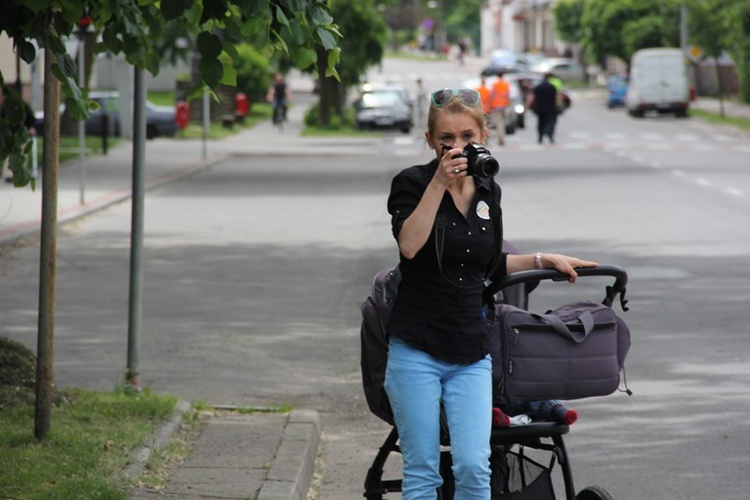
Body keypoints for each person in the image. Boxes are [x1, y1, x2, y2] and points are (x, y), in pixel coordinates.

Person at [385, 87, 597, 499]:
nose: (458, 147)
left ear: (484, 133)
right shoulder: (411, 183)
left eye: (467, 136)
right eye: (446, 139)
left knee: (473, 466)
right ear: (430, 141)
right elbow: (409, 246)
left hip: (470, 350)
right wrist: (438, 185)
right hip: (416, 348)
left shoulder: (488, 190)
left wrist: (541, 258)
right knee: (424, 471)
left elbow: (487, 265)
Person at [0, 96, 36, 183]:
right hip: (9, 134)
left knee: (22, 153)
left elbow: (31, 119)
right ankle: (8, 174)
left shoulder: (23, 106)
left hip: (22, 133)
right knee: (9, 153)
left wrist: (31, 128)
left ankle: (19, 173)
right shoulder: (5, 107)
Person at [526, 72, 558, 145]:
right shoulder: (552, 87)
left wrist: (527, 106)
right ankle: (549, 132)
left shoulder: (538, 87)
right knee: (550, 121)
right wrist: (559, 105)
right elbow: (556, 97)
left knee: (541, 122)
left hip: (540, 108)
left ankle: (540, 137)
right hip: (550, 107)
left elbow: (532, 97)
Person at [489, 71, 510, 146]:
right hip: (504, 105)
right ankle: (502, 138)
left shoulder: (495, 84)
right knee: (502, 122)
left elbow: (492, 95)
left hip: (496, 105)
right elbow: (507, 95)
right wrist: (508, 105)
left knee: (499, 122)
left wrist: (490, 106)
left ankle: (500, 138)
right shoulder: (506, 84)